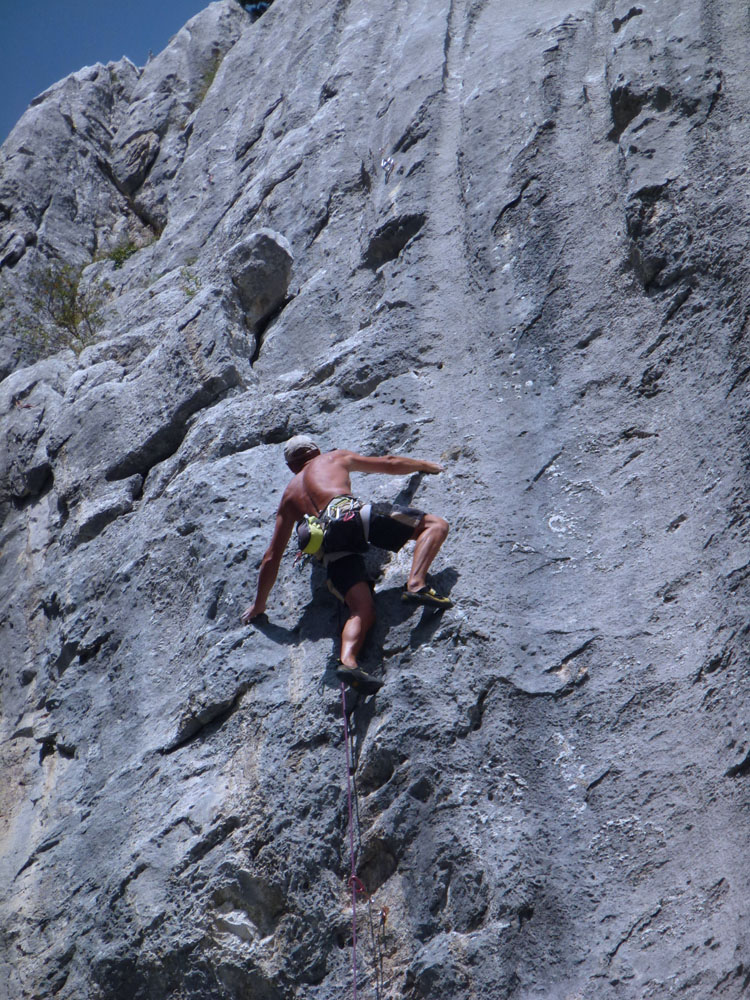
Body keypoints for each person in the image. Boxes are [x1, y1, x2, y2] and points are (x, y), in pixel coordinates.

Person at [241, 435, 451, 692]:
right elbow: (389, 462)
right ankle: (416, 584)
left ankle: (348, 661)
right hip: (353, 516)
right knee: (435, 525)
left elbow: (272, 557)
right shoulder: (334, 457)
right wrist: (424, 465)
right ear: (316, 450)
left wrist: (259, 606)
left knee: (361, 609)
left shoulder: (288, 497)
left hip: (330, 544)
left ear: (291, 467)